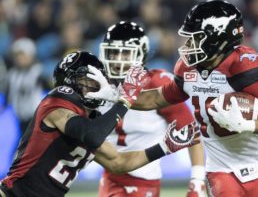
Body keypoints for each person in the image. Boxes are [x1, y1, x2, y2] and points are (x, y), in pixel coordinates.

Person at [131, 0, 258, 197]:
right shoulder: (187, 68)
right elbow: (155, 99)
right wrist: (115, 96)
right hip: (219, 166)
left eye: (195, 38)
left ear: (217, 39)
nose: (188, 45)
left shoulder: (243, 66)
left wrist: (247, 124)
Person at [0, 51, 201, 197]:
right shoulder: (56, 103)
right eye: (87, 80)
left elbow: (118, 163)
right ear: (69, 82)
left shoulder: (90, 119)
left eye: (97, 80)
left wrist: (165, 146)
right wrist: (125, 100)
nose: (94, 86)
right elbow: (92, 135)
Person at [95, 21, 206, 197]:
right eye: (114, 52)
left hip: (143, 181)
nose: (118, 59)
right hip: (109, 176)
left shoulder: (157, 84)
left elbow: (191, 133)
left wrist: (198, 180)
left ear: (141, 54)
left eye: (125, 53)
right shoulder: (97, 85)